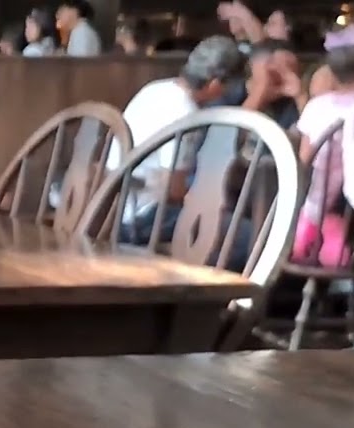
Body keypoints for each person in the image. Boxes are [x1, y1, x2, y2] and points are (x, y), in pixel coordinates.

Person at [107, 36, 251, 266]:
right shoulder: (186, 113)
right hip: (143, 215)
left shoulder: (155, 88)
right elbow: (172, 190)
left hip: (113, 203)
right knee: (248, 235)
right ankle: (195, 293)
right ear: (215, 84)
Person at [292, 41, 354, 266]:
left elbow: (304, 161)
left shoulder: (318, 107)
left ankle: (323, 244)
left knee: (315, 188)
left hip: (326, 200)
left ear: (331, 74)